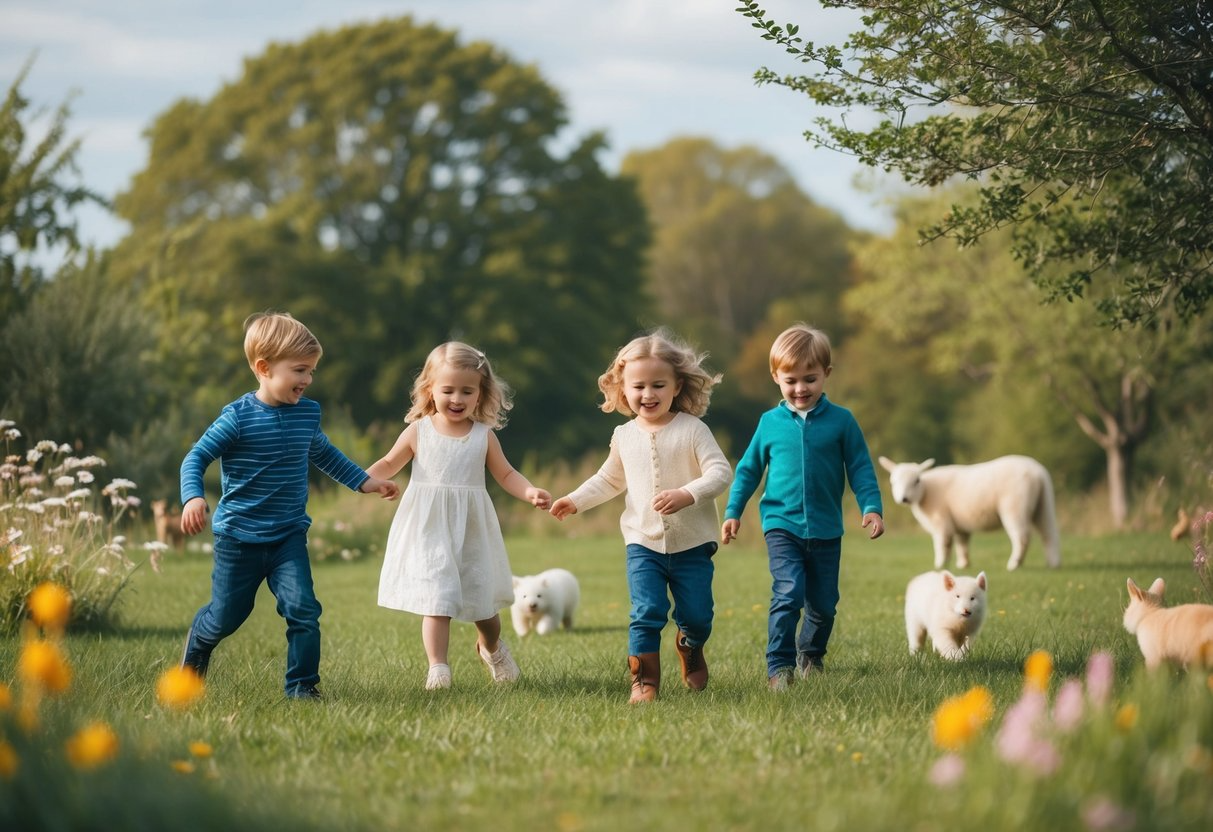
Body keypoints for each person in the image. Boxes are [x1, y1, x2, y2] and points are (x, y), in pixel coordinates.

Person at [179, 312, 400, 700]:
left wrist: (366, 482)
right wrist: (193, 496)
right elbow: (195, 458)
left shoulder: (307, 414)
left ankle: (301, 686)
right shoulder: (236, 418)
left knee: (304, 610)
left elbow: (326, 456)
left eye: (312, 371)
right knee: (226, 617)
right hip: (238, 539)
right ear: (264, 368)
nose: (308, 380)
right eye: (300, 370)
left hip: (287, 536)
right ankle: (199, 641)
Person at [551, 330, 732, 703]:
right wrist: (574, 500)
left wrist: (687, 494)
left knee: (697, 615)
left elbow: (720, 473)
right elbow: (608, 479)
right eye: (638, 386)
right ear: (623, 388)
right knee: (646, 611)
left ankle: (690, 644)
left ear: (677, 385)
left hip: (693, 543)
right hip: (642, 543)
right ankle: (644, 682)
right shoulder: (623, 435)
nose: (647, 394)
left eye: (658, 385)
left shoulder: (693, 430)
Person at [368, 342, 551, 691]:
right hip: (429, 529)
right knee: (436, 597)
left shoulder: (483, 436)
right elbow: (389, 463)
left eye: (467, 391)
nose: (457, 398)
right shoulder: (418, 431)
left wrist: (528, 491)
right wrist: (367, 480)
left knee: (483, 605)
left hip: (470, 529)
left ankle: (492, 647)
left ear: (481, 394)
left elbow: (507, 475)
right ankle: (438, 667)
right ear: (429, 390)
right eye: (447, 390)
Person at [720, 323, 884, 691]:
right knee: (788, 592)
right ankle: (779, 668)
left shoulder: (842, 421)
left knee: (824, 605)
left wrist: (871, 506)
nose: (800, 389)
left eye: (809, 379)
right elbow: (748, 470)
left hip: (827, 528)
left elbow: (860, 467)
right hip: (782, 525)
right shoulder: (769, 423)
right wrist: (733, 511)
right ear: (776, 376)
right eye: (790, 380)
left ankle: (810, 654)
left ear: (826, 374)